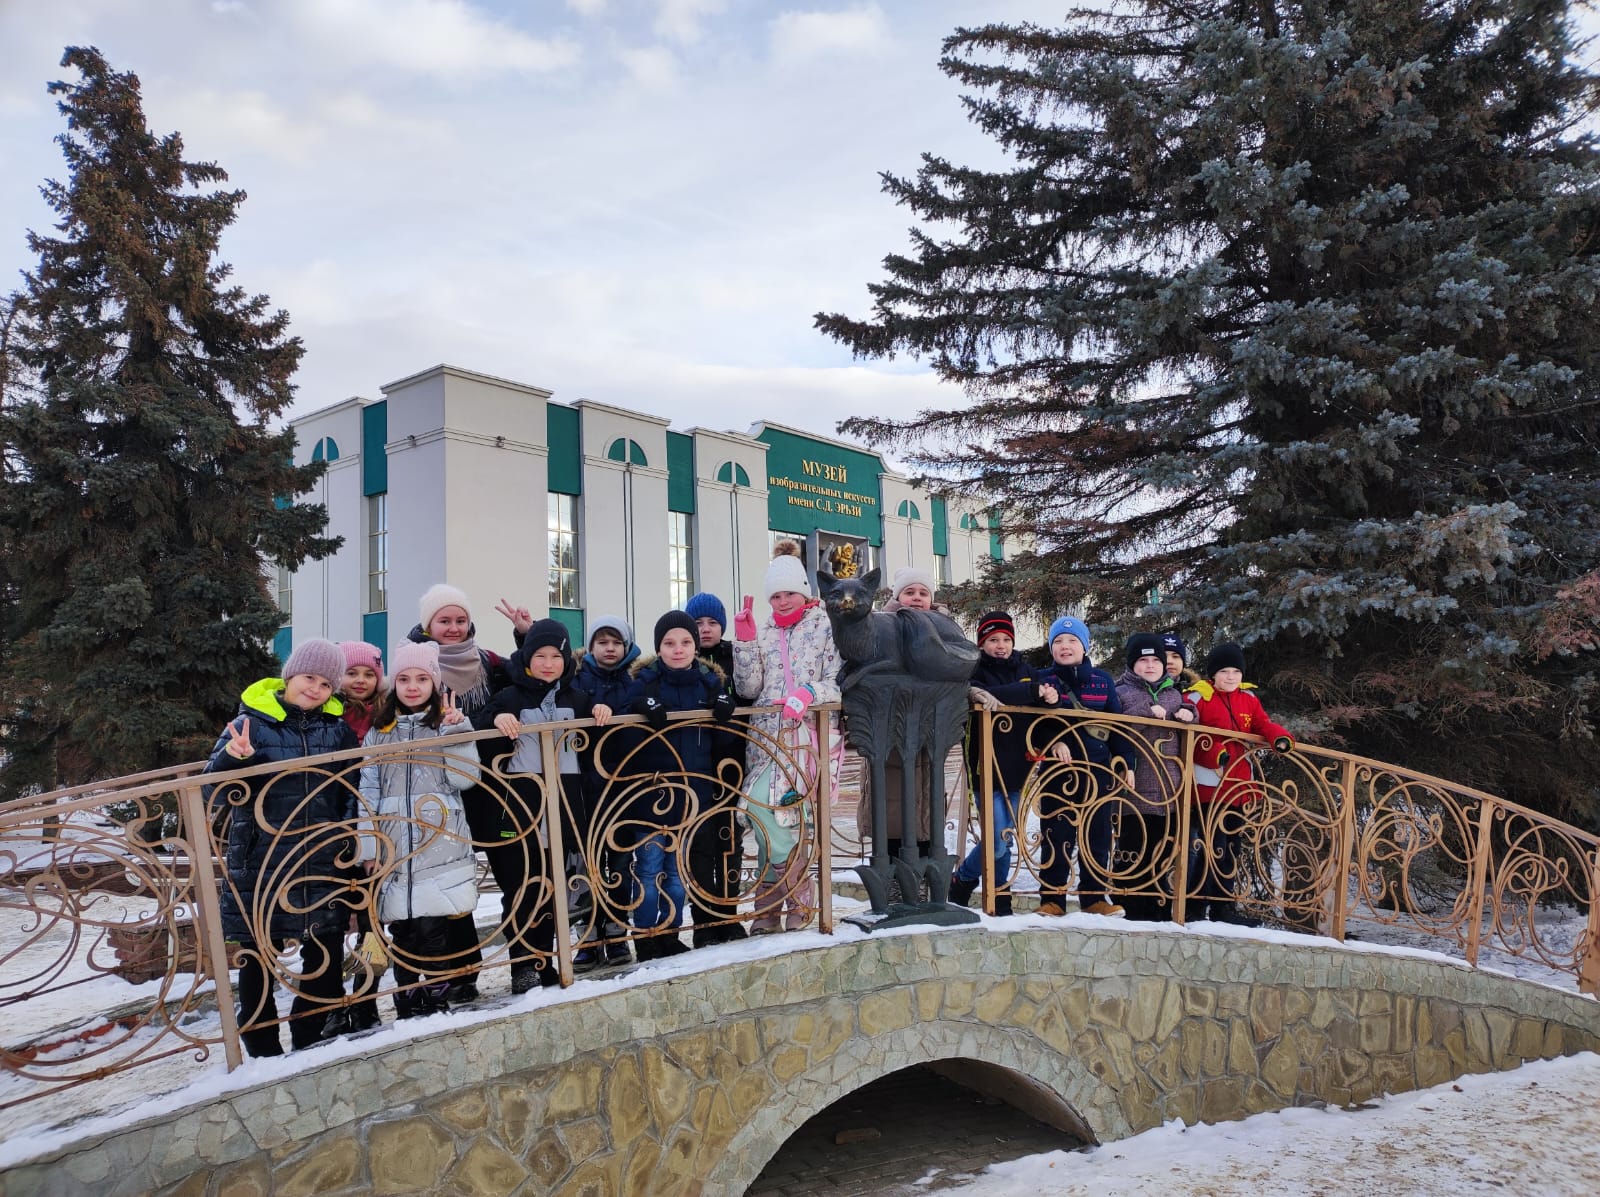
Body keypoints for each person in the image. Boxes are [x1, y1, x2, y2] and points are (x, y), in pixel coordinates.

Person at [203, 639, 358, 1057]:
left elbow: (349, 789)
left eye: (327, 684)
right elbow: (211, 790)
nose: (316, 689)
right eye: (310, 678)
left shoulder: (337, 729)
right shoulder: (251, 723)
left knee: (323, 948)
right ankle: (261, 1048)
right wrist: (235, 759)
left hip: (321, 857)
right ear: (291, 676)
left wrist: (344, 835)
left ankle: (309, 1038)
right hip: (261, 858)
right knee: (256, 955)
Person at [472, 619, 611, 993]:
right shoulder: (511, 696)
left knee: (552, 890)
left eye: (556, 656)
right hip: (520, 812)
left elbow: (598, 723)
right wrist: (497, 720)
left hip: (562, 811)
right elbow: (482, 725)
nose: (548, 663)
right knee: (522, 890)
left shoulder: (575, 698)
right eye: (540, 655)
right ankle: (524, 967)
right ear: (527, 658)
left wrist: (601, 710)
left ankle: (544, 960)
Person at [358, 640, 481, 1017]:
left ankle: (437, 993)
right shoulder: (379, 733)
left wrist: (457, 735)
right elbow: (368, 788)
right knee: (403, 930)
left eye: (422, 679)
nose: (412, 686)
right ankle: (408, 995)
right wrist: (368, 846)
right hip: (394, 846)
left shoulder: (446, 725)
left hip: (438, 844)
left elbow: (466, 779)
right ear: (394, 684)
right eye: (405, 679)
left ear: (435, 684)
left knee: (433, 928)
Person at [406, 585, 516, 1002]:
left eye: (459, 620)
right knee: (446, 878)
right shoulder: (413, 663)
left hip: (491, 784)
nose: (452, 628)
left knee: (510, 869)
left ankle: (519, 964)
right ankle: (457, 973)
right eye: (443, 620)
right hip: (435, 790)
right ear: (427, 623)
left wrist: (525, 634)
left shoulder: (487, 662)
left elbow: (527, 676)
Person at [732, 539, 843, 933]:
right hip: (766, 741)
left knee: (788, 817)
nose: (781, 601)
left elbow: (841, 680)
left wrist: (811, 693)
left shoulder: (826, 625)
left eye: (789, 593)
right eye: (775, 595)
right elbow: (748, 689)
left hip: (810, 740)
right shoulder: (761, 630)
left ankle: (775, 907)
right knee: (761, 814)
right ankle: (788, 897)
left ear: (804, 592)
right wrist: (744, 642)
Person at [621, 611, 738, 959]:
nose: (678, 649)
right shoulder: (646, 682)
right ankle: (645, 935)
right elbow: (625, 714)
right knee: (648, 867)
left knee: (677, 872)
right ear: (659, 647)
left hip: (694, 792)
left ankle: (670, 932)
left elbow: (723, 732)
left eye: (685, 642)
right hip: (653, 793)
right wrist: (641, 705)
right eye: (669, 643)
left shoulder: (707, 682)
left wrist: (723, 704)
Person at [1185, 642, 1295, 924]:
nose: (1231, 677)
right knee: (1210, 847)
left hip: (1237, 786)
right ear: (1213, 674)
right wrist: (1215, 753)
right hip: (1208, 785)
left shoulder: (1248, 698)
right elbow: (1191, 737)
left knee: (1231, 848)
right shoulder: (1199, 697)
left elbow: (1262, 724)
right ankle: (1194, 907)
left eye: (1236, 671)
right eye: (1224, 671)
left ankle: (1224, 908)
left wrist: (1279, 737)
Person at [1035, 616, 1134, 918]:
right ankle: (1052, 899)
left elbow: (1118, 727)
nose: (1065, 647)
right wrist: (1053, 741)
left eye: (1072, 641)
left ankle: (1093, 899)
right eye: (1059, 642)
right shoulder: (1043, 679)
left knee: (1098, 836)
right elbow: (1033, 722)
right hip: (1057, 772)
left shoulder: (1102, 681)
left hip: (1098, 771)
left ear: (1084, 646)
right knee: (1056, 834)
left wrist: (1127, 763)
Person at [953, 611, 1051, 915]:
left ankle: (981, 885)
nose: (1001, 645)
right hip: (987, 767)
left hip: (1019, 768)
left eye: (1006, 639)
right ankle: (982, 886)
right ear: (982, 642)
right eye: (993, 639)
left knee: (1006, 837)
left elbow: (1044, 700)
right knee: (997, 841)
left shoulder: (1026, 670)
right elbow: (987, 695)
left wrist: (1048, 696)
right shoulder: (975, 669)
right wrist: (1030, 692)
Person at [855, 565, 943, 862]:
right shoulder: (880, 626)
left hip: (928, 736)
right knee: (889, 814)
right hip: (888, 733)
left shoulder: (943, 628)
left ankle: (924, 889)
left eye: (923, 593)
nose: (916, 598)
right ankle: (890, 887)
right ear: (897, 596)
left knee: (925, 816)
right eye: (909, 592)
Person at [321, 640, 386, 1039]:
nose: (360, 680)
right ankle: (330, 1005)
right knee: (328, 924)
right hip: (331, 829)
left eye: (368, 673)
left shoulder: (385, 716)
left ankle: (366, 999)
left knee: (371, 923)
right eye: (352, 672)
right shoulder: (328, 713)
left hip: (374, 830)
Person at [572, 615, 644, 968]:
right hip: (585, 787)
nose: (610, 648)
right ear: (592, 646)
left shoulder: (638, 677)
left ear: (626, 645)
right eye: (602, 642)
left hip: (623, 786)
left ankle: (616, 933)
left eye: (616, 642)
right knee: (585, 865)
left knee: (619, 862)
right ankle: (586, 935)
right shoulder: (577, 677)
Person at [1113, 632, 1197, 921]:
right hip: (1134, 791)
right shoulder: (1122, 691)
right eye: (1143, 661)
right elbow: (1116, 728)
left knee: (1162, 852)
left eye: (1155, 661)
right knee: (1133, 850)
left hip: (1170, 790)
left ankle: (1159, 908)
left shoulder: (1173, 694)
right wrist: (1147, 710)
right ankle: (1131, 904)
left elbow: (1190, 717)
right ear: (1132, 665)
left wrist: (1188, 712)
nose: (1150, 666)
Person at [684, 591, 750, 946]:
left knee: (731, 839)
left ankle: (728, 914)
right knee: (699, 843)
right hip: (694, 764)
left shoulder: (734, 655)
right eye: (698, 623)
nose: (705, 629)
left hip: (732, 762)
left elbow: (751, 690)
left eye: (712, 623)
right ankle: (703, 921)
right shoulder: (682, 658)